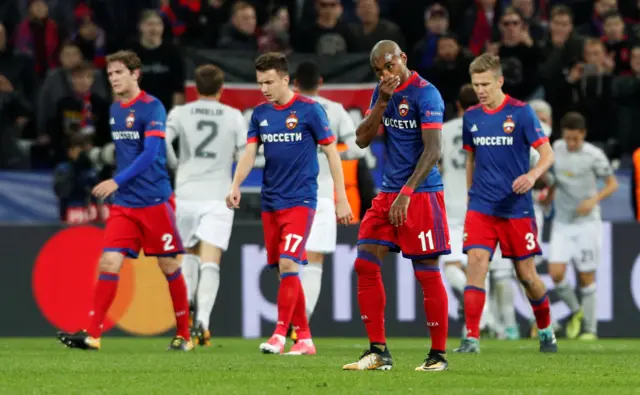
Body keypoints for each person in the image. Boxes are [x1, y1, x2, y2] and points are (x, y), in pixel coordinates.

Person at [57, 50, 192, 351]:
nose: (114, 78)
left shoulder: (153, 107)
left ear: (135, 74)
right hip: (126, 204)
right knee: (109, 262)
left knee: (168, 265)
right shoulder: (116, 110)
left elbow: (151, 153)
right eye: (110, 74)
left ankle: (184, 333)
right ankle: (93, 334)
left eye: (119, 72)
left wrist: (116, 180)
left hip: (155, 200)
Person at [226, 52, 352, 356]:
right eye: (260, 83)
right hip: (271, 201)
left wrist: (341, 198)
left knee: (288, 262)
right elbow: (249, 153)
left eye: (270, 81)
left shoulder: (311, 111)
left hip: (302, 200)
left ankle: (279, 335)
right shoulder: (260, 114)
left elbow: (333, 154)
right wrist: (236, 184)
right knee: (285, 272)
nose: (265, 88)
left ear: (286, 79)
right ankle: (305, 338)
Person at [342, 40, 450, 372]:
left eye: (389, 66)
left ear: (403, 58)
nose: (385, 74)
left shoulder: (426, 94)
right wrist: (383, 101)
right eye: (378, 70)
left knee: (426, 271)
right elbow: (361, 139)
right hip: (388, 191)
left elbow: (432, 151)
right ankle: (378, 352)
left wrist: (407, 192)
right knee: (364, 262)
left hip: (420, 192)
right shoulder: (383, 93)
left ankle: (437, 356)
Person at [455, 53, 557, 354]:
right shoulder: (471, 117)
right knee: (476, 265)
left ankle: (547, 330)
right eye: (476, 85)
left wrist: (533, 173)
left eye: (486, 84)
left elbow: (548, 153)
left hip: (516, 208)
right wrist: (471, 192)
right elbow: (471, 157)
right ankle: (471, 338)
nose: (481, 90)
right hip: (481, 208)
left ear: (500, 81)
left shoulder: (522, 113)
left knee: (527, 276)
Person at [165, 64, 248, 346]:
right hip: (218, 194)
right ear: (221, 88)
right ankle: (203, 322)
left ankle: (186, 313)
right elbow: (244, 152)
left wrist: (176, 166)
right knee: (211, 260)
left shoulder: (180, 112)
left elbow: (163, 142)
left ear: (195, 88)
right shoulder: (234, 116)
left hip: (187, 192)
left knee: (188, 253)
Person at [293, 61, 366, 321]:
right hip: (322, 194)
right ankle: (301, 324)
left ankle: (288, 323)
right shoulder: (334, 110)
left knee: (288, 262)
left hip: (289, 195)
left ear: (295, 84)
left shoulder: (288, 109)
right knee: (314, 261)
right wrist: (335, 154)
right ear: (320, 82)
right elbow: (357, 148)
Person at [546, 112, 618, 340]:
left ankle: (590, 330)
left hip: (587, 223)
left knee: (587, 276)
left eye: (575, 139)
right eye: (567, 138)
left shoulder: (594, 155)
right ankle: (577, 311)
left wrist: (593, 200)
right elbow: (554, 179)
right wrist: (548, 196)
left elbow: (612, 184)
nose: (571, 143)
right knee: (555, 273)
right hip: (562, 221)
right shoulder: (555, 149)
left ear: (583, 135)